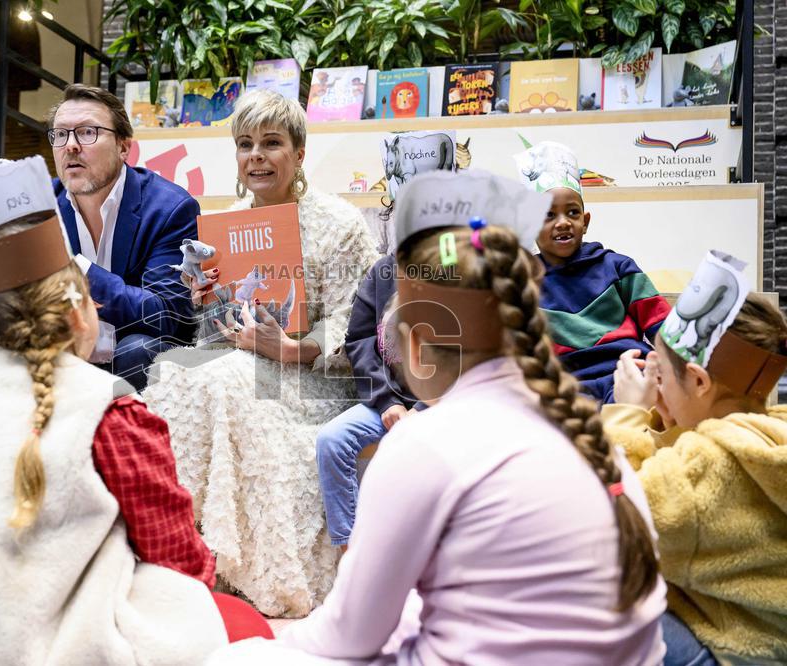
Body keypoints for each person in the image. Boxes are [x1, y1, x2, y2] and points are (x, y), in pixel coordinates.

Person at [208, 169, 666, 665]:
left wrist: (259, 645)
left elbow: (347, 638)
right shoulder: (586, 432)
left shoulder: (423, 446)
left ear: (416, 347)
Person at [0, 157, 270, 666]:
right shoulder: (109, 412)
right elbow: (182, 564)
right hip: (17, 651)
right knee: (239, 623)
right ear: (76, 307)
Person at [142, 89, 380, 616]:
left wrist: (296, 348)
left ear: (298, 154)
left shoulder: (340, 223)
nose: (256, 155)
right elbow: (218, 331)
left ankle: (213, 560)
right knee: (172, 373)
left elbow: (357, 322)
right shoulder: (228, 223)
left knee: (225, 381)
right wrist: (208, 300)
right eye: (245, 144)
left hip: (318, 376)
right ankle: (170, 548)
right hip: (244, 360)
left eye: (271, 143)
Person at [607, 250, 787, 666]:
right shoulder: (762, 432)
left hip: (735, 650)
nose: (656, 387)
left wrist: (626, 413)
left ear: (700, 381)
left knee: (600, 610)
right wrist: (670, 412)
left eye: (663, 378)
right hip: (770, 632)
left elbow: (608, 511)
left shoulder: (701, 469)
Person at [315, 130, 458, 550]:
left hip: (451, 405)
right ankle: (353, 548)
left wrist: (419, 408)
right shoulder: (382, 273)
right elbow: (359, 340)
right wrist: (390, 403)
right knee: (332, 440)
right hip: (387, 402)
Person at [49, 83, 199, 391]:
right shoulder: (40, 204)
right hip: (60, 348)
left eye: (88, 132)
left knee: (138, 348)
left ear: (123, 146)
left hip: (126, 355)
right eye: (60, 134)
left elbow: (167, 315)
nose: (71, 146)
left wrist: (80, 273)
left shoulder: (169, 208)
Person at [515, 141, 670, 404]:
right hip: (565, 385)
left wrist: (682, 367)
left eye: (572, 212)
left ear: (585, 222)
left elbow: (663, 327)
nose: (563, 222)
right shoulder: (522, 284)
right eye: (548, 215)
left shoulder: (618, 267)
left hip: (627, 370)